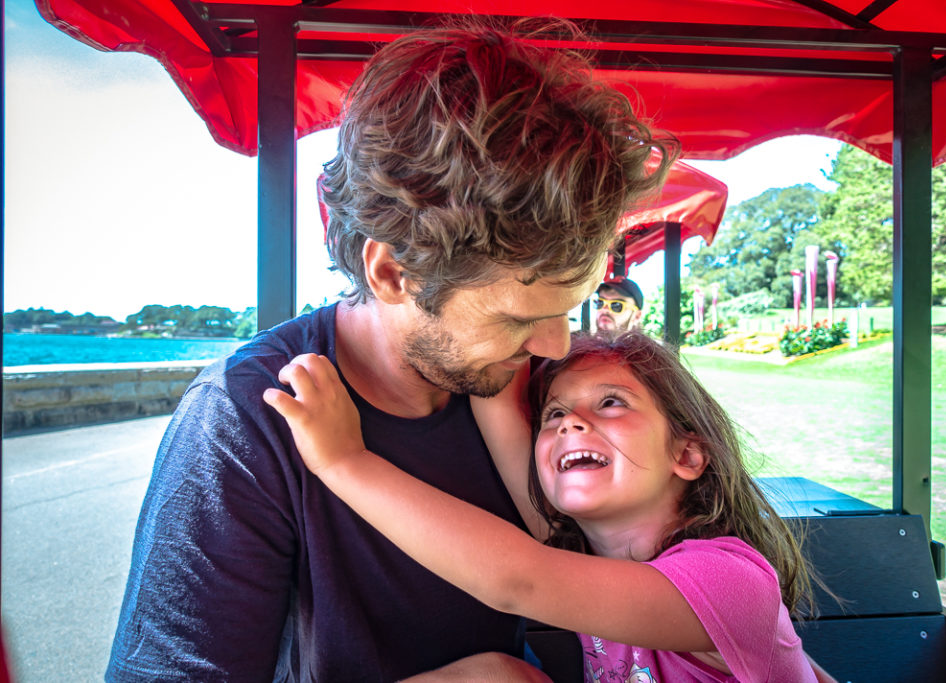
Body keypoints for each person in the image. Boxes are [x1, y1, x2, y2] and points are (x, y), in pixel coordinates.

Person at [105, 19, 678, 682]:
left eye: (568, 309)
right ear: (390, 273)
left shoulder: (547, 391)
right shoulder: (244, 418)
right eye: (522, 316)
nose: (556, 343)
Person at [264, 332, 836, 682]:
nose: (571, 423)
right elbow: (495, 394)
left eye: (611, 403)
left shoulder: (727, 577)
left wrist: (343, 461)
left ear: (686, 453)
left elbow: (518, 580)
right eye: (553, 416)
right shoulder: (586, 561)